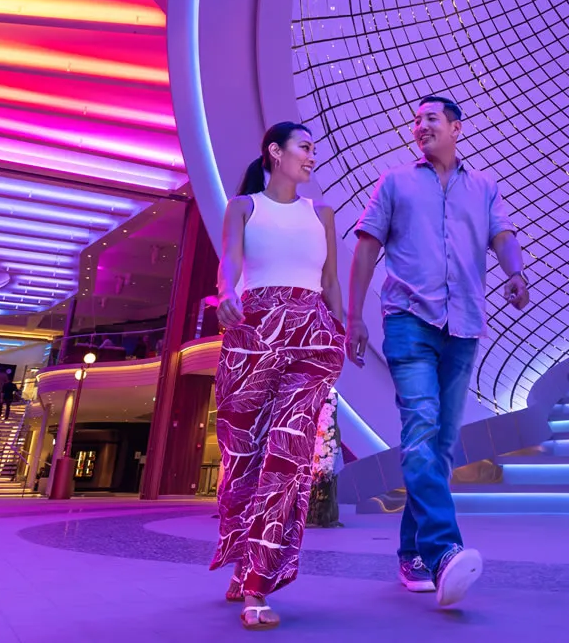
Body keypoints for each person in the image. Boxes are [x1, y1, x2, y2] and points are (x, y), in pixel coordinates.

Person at [348, 95, 530, 608]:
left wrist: (515, 272)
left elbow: (503, 235)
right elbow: (365, 246)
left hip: (465, 325)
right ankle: (446, 549)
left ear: (455, 128)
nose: (420, 126)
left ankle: (410, 552)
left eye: (431, 119)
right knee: (421, 430)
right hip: (408, 321)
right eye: (416, 120)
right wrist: (354, 316)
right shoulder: (395, 183)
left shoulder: (484, 188)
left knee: (441, 446)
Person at [208, 121, 351, 632]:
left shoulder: (324, 215)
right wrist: (227, 295)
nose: (313, 157)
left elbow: (331, 280)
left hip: (312, 340)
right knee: (243, 461)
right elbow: (230, 263)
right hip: (252, 337)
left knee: (288, 460)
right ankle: (241, 554)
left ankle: (257, 585)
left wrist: (346, 328)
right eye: (305, 147)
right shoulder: (244, 207)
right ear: (275, 151)